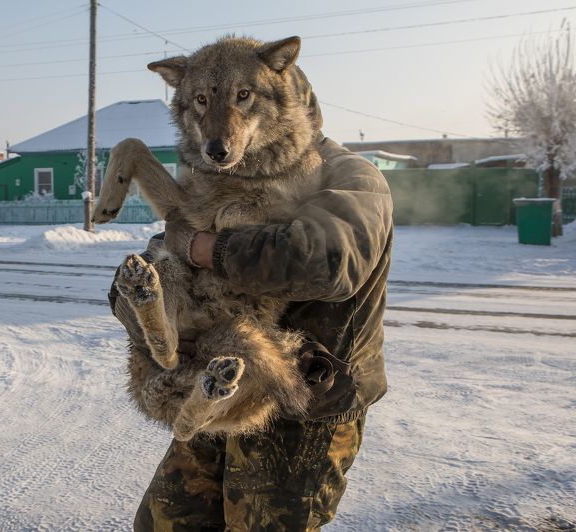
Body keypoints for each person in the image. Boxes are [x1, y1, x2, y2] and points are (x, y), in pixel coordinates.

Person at [107, 123, 393, 530]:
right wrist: (136, 298)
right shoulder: (235, 169)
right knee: (166, 521)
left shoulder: (351, 177)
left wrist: (208, 249)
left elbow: (327, 266)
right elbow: (171, 245)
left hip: (303, 404)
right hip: (218, 383)